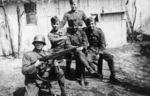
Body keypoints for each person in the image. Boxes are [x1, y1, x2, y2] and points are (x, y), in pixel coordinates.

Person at [66, 19, 101, 85]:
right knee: (80, 54)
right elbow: (68, 44)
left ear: (78, 25)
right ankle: (88, 71)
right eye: (72, 26)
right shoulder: (68, 33)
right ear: (70, 26)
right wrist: (75, 48)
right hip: (73, 52)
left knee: (81, 55)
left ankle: (83, 78)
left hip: (82, 50)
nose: (74, 27)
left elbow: (85, 42)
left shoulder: (82, 32)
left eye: (75, 25)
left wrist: (82, 47)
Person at [85, 17, 119, 82]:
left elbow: (103, 45)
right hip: (92, 50)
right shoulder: (87, 31)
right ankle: (95, 72)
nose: (91, 25)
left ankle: (112, 75)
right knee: (87, 59)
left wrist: (99, 53)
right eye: (89, 24)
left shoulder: (100, 32)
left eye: (92, 24)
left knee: (110, 58)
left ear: (95, 24)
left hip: (100, 49)